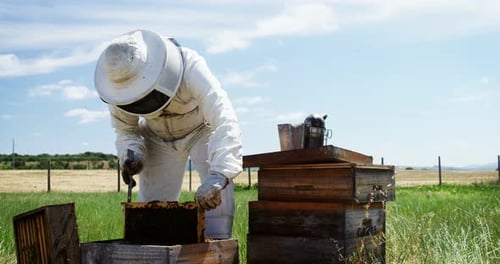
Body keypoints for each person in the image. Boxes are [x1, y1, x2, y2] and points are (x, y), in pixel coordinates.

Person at [94, 29, 243, 239]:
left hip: (201, 130)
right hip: (156, 136)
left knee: (217, 199)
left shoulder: (191, 66)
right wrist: (132, 153)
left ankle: (217, 250)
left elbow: (224, 117)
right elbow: (126, 129)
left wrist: (219, 174)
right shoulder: (119, 86)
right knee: (152, 212)